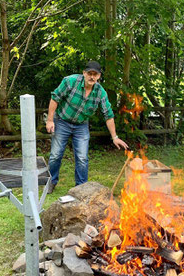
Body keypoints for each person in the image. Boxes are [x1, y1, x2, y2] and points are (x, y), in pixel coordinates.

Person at [46, 60, 128, 193]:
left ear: (99, 76)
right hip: (62, 121)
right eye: (89, 73)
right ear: (84, 73)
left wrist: (115, 137)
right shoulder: (70, 81)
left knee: (82, 158)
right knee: (56, 155)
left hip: (81, 126)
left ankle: (81, 188)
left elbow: (108, 115)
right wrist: (50, 120)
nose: (92, 77)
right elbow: (55, 98)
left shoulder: (100, 92)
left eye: (95, 74)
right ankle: (51, 182)